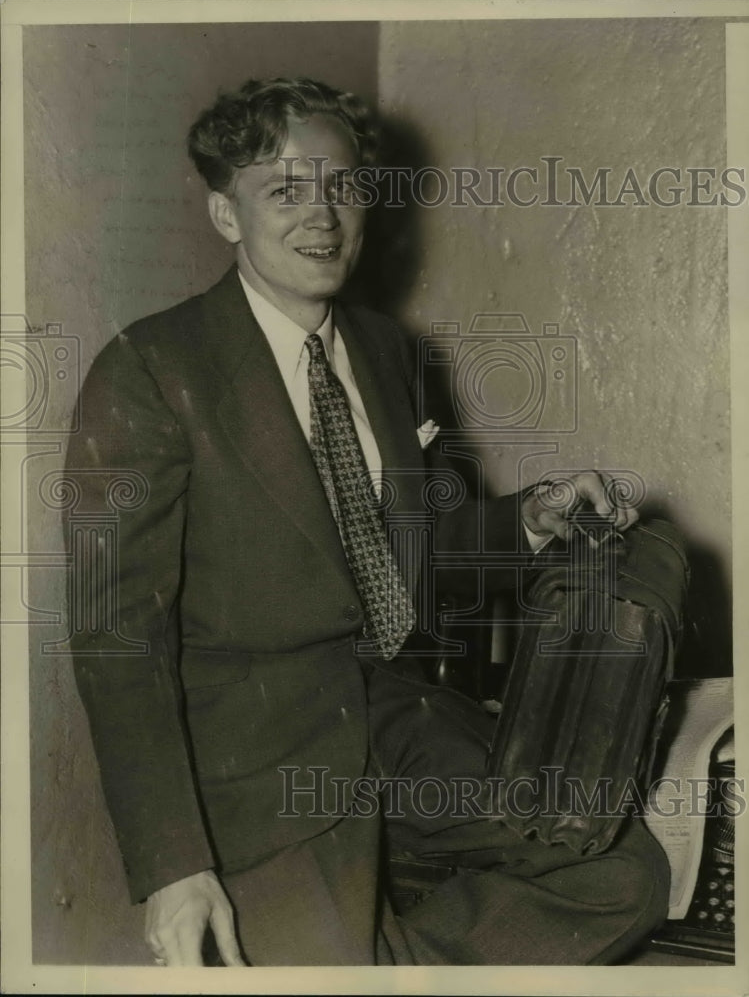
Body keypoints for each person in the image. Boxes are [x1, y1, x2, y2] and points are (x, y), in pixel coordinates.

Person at [65, 77, 669, 967]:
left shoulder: (385, 352)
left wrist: (528, 522)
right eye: (284, 190)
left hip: (391, 714)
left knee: (621, 876)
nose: (322, 216)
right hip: (250, 755)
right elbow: (119, 636)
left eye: (342, 188)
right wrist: (174, 866)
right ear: (225, 214)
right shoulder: (151, 368)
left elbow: (403, 557)